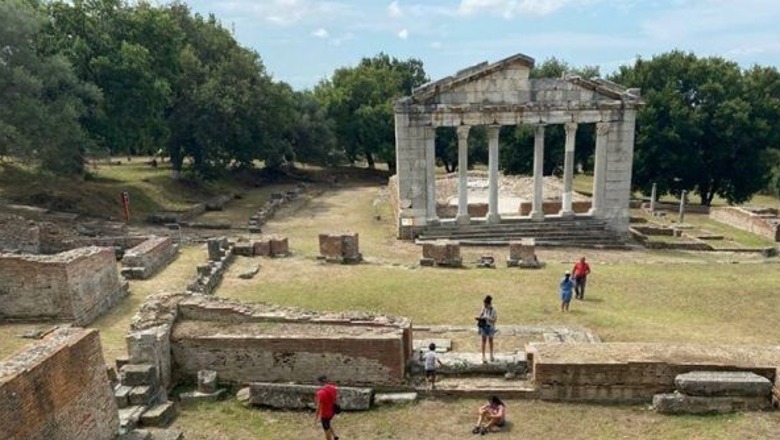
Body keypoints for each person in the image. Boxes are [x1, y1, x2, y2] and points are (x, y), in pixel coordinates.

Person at [314, 375, 340, 440]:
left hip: (325, 414)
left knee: (326, 430)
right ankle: (335, 436)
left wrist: (316, 417)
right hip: (332, 411)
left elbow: (318, 406)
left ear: (320, 382)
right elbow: (336, 399)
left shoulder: (320, 393)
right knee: (328, 423)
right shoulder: (333, 388)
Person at [475, 295, 498, 363]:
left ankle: (491, 355)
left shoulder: (494, 310)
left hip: (491, 327)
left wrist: (487, 318)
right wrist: (479, 318)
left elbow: (494, 320)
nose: (484, 305)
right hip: (484, 326)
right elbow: (481, 315)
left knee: (490, 341)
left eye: (485, 304)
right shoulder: (484, 308)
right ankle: (483, 356)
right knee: (483, 341)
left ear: (489, 303)